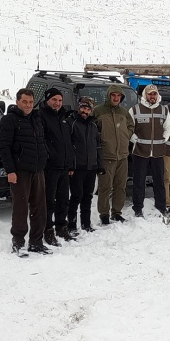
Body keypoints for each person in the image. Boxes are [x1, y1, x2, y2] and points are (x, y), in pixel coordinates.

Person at [0, 88, 50, 254]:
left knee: (39, 207)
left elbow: (41, 141)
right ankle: (18, 242)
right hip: (20, 171)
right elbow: (4, 147)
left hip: (38, 170)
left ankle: (36, 241)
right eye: (24, 102)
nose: (28, 105)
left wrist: (44, 158)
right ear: (17, 102)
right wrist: (10, 170)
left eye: (30, 102)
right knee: (21, 207)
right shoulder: (10, 120)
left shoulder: (36, 118)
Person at [37, 88, 77, 244]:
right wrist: (49, 156)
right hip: (50, 167)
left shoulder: (63, 118)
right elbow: (42, 141)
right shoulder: (41, 117)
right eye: (54, 100)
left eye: (60, 100)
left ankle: (61, 227)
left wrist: (70, 164)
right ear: (47, 100)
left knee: (63, 199)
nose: (57, 103)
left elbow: (68, 143)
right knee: (48, 201)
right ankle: (47, 230)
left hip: (64, 167)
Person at [130, 84, 170, 219]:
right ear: (145, 95)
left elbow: (168, 127)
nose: (152, 96)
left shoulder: (164, 110)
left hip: (158, 153)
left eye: (154, 94)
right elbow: (128, 128)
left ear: (157, 95)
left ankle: (161, 206)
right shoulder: (135, 109)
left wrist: (164, 139)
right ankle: (138, 208)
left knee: (159, 181)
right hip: (140, 152)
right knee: (139, 181)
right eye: (150, 94)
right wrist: (135, 139)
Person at [95, 86, 132, 224]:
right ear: (109, 96)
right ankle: (104, 214)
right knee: (105, 187)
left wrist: (126, 136)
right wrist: (102, 140)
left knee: (120, 186)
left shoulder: (123, 112)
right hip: (107, 155)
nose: (116, 98)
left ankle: (116, 212)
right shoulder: (98, 111)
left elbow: (131, 126)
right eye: (113, 95)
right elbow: (93, 129)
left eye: (118, 96)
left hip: (122, 155)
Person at [70, 97, 101, 232]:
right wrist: (70, 165)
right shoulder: (72, 123)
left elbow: (98, 146)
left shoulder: (93, 126)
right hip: (77, 167)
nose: (85, 111)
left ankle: (86, 224)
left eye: (88, 109)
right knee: (76, 196)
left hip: (91, 167)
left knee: (88, 196)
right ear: (79, 108)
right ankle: (71, 225)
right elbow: (68, 146)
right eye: (83, 108)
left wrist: (100, 164)